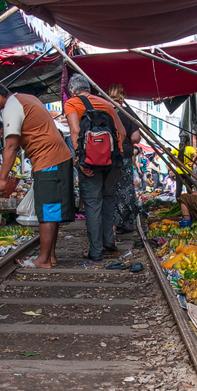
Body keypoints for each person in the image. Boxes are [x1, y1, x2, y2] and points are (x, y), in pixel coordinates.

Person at [0, 77, 74, 268]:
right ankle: (50, 257)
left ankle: (43, 259)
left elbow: (11, 146)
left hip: (49, 159)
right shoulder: (25, 98)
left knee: (46, 212)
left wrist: (2, 179)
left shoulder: (12, 107)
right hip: (55, 158)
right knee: (50, 210)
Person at [64, 74, 126, 261]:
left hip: (90, 162)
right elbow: (122, 133)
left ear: (72, 91)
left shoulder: (72, 103)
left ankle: (96, 251)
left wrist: (82, 160)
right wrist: (108, 153)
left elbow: (75, 131)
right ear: (89, 89)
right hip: (113, 162)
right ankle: (109, 241)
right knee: (108, 199)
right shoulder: (106, 103)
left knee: (92, 203)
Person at [107, 83, 142, 235]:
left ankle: (111, 225)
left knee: (110, 190)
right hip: (125, 154)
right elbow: (136, 137)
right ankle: (125, 223)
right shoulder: (127, 112)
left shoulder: (104, 110)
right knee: (125, 189)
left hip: (106, 156)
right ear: (123, 95)